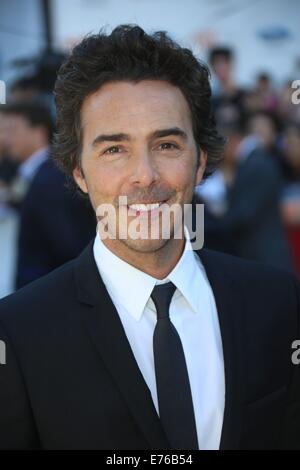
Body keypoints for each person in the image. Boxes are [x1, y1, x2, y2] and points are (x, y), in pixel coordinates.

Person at [0, 25, 299, 450]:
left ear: (200, 161)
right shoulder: (18, 334)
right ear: (78, 171)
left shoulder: (277, 302)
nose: (145, 175)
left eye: (166, 145)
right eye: (114, 149)